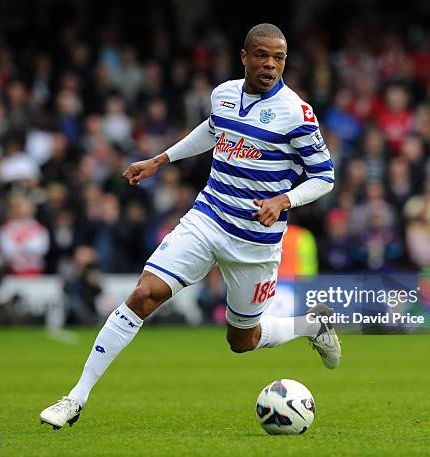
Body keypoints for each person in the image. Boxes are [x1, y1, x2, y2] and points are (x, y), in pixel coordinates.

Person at [39, 23, 340, 430]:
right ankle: (75, 398)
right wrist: (161, 159)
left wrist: (284, 200)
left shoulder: (297, 113)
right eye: (262, 55)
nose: (270, 64)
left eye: (279, 58)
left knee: (242, 341)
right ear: (245, 56)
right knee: (144, 295)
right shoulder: (224, 94)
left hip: (255, 242)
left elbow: (324, 176)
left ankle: (312, 325)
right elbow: (214, 130)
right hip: (207, 218)